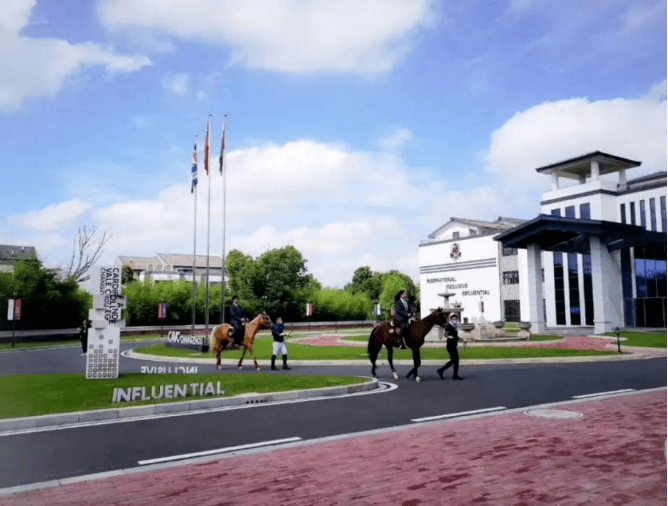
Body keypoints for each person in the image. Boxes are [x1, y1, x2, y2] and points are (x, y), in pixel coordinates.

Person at [437, 313, 464, 380]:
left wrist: (462, 339)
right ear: (451, 319)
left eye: (455, 319)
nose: (454, 320)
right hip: (451, 346)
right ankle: (454, 375)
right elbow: (445, 334)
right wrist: (448, 335)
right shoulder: (449, 326)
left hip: (453, 346)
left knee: (454, 361)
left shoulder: (454, 327)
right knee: (455, 361)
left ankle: (441, 371)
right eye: (453, 319)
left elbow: (456, 336)